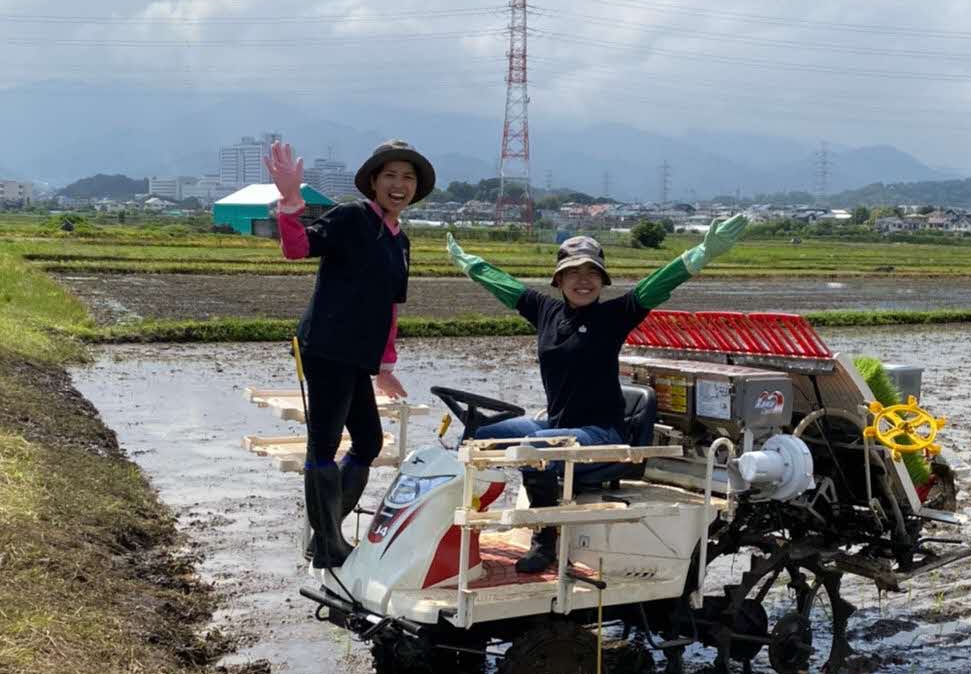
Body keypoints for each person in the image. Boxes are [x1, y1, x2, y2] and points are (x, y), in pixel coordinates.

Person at [447, 218, 747, 572]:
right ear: (558, 279)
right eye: (573, 272)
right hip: (557, 425)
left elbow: (656, 285)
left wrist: (700, 254)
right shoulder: (544, 311)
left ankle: (545, 540)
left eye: (592, 272)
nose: (583, 280)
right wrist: (470, 265)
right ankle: (453, 531)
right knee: (479, 437)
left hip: (601, 432)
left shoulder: (614, 316)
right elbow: (505, 285)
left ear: (603, 281)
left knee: (536, 449)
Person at [264, 137, 436, 568]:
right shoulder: (351, 216)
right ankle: (328, 543)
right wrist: (290, 201)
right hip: (325, 346)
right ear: (374, 182)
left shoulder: (400, 241)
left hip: (358, 357)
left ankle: (326, 535)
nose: (400, 185)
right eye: (391, 176)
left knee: (369, 441)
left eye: (408, 177)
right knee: (322, 446)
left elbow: (390, 308)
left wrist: (385, 367)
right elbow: (296, 248)